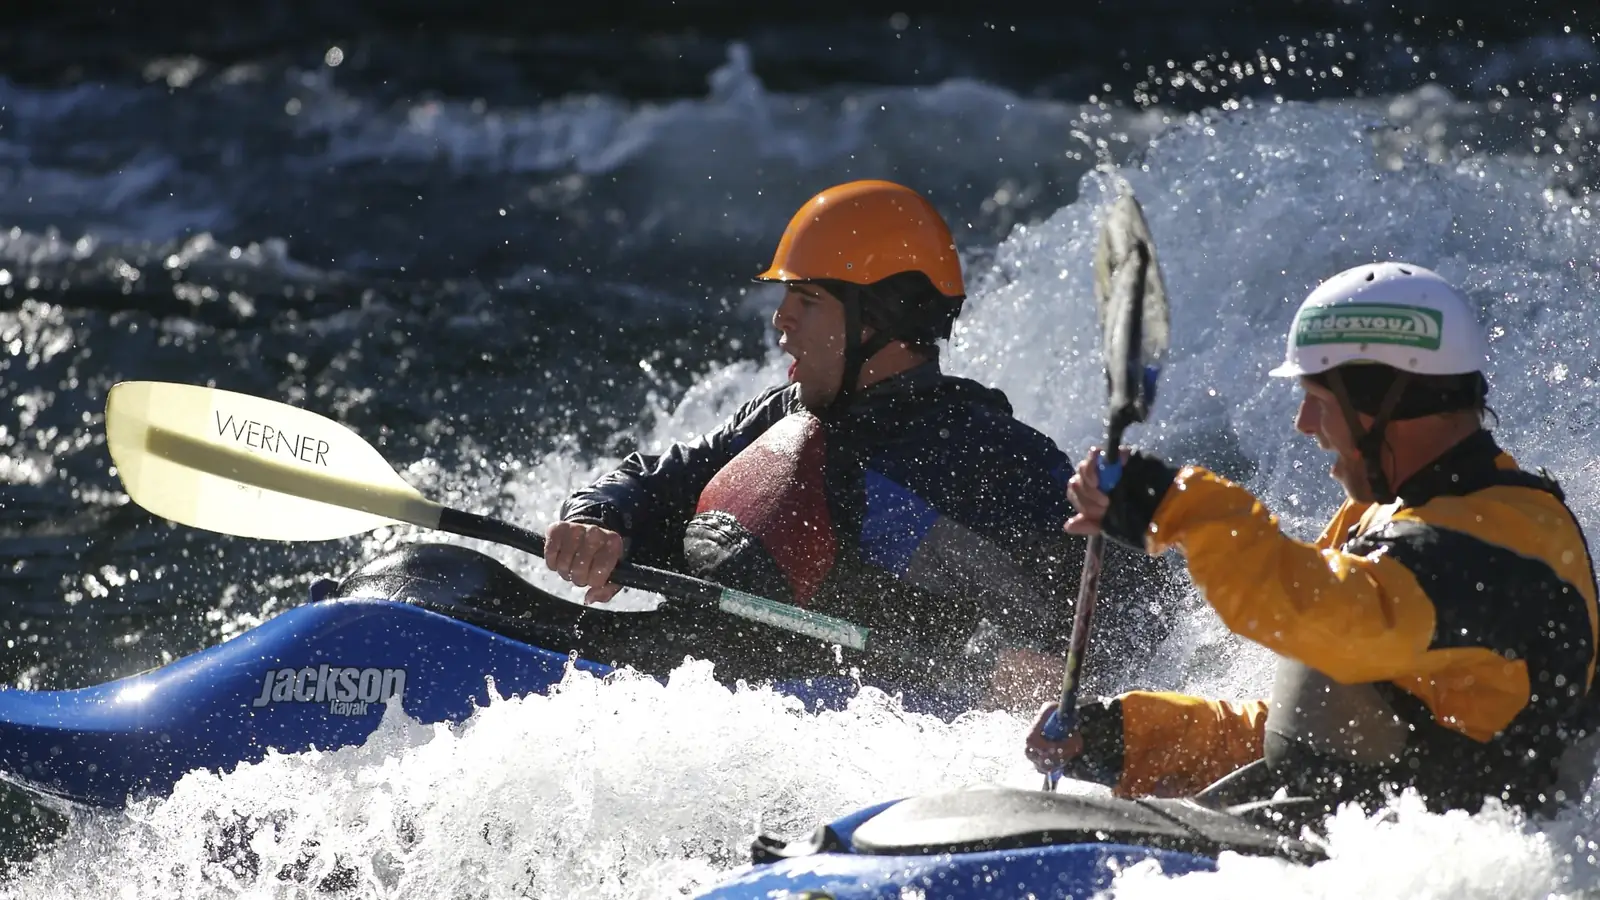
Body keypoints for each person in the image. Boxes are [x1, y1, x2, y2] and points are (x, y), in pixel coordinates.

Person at [541, 179, 1166, 711]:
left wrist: (1048, 671)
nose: (780, 319)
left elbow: (1125, 604)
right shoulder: (783, 413)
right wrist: (599, 521)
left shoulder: (986, 453)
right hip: (721, 686)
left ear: (875, 321)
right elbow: (657, 480)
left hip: (881, 720)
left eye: (806, 300)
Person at [1025, 261, 1599, 818]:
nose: (1303, 423)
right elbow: (1310, 731)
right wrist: (1124, 739)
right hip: (1370, 833)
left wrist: (1171, 503)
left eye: (1319, 400)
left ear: (1386, 406)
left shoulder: (1499, 547)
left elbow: (1329, 619)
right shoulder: (1386, 515)